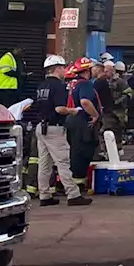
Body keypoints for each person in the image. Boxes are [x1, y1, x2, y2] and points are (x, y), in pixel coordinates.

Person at [35, 54, 90, 207]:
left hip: (41, 127)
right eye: (63, 67)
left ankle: (44, 195)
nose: (64, 70)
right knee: (63, 162)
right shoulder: (58, 86)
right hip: (54, 128)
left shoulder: (41, 86)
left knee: (44, 164)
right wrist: (74, 111)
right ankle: (73, 195)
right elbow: (59, 109)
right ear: (57, 68)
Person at [64, 57, 102, 191]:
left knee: (74, 151)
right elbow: (85, 101)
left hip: (71, 121)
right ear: (88, 71)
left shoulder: (72, 84)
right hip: (82, 122)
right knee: (82, 153)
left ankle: (75, 183)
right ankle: (79, 185)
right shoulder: (85, 84)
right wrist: (95, 115)